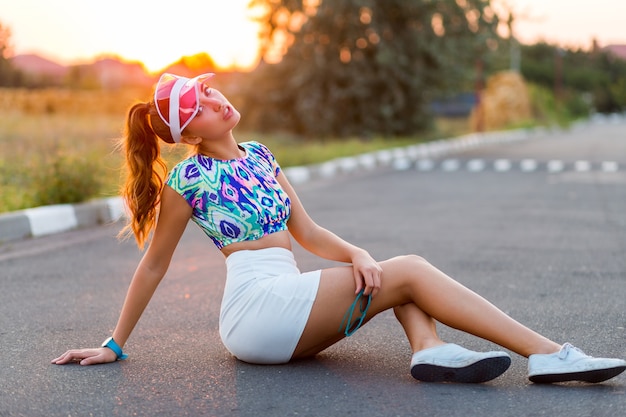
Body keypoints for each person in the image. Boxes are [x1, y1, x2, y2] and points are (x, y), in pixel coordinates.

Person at [52, 72, 626, 385]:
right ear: (187, 131)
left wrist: (355, 252)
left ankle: (428, 348)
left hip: (288, 298)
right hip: (255, 309)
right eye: (199, 106)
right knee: (409, 271)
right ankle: (550, 354)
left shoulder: (260, 155)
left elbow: (307, 232)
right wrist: (114, 343)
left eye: (210, 90)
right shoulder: (189, 177)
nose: (215, 101)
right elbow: (155, 264)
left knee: (385, 271)